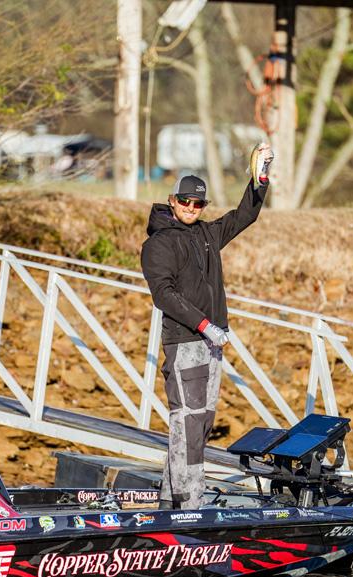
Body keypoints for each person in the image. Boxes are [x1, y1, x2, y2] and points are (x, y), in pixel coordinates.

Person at [141, 145, 274, 509]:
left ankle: (171, 500)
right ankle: (190, 504)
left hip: (212, 343)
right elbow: (164, 295)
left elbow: (245, 215)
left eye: (198, 204)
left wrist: (260, 177)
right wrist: (204, 325)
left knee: (200, 423)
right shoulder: (158, 244)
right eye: (185, 202)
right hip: (185, 342)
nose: (191, 208)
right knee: (187, 422)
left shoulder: (207, 234)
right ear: (172, 201)